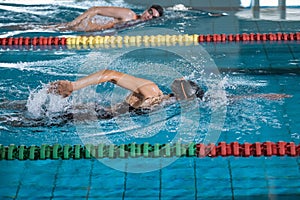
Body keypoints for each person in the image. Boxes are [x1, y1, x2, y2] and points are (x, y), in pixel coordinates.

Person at [48, 69, 291, 112]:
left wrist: (262, 96)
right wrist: (73, 86)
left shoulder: (158, 96)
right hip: (83, 112)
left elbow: (219, 99)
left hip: (82, 114)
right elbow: (109, 74)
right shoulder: (152, 92)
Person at [55, 5, 164, 32]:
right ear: (146, 9)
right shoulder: (129, 14)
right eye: (150, 12)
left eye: (153, 17)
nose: (149, 16)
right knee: (49, 29)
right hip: (81, 26)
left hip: (89, 31)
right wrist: (73, 23)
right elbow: (95, 9)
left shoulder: (137, 24)